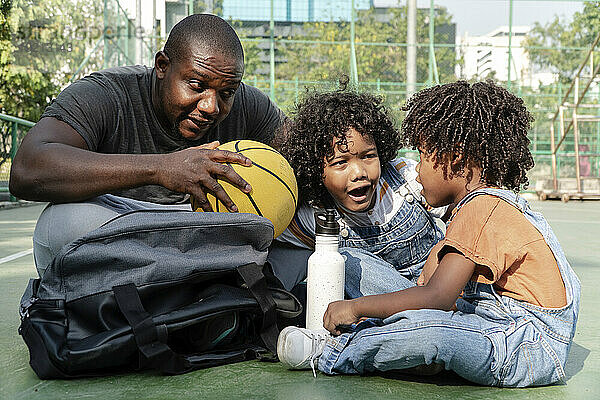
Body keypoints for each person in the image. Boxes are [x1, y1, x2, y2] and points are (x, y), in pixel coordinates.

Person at [277, 80, 581, 387]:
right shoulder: (480, 205)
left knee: (432, 334)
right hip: (493, 324)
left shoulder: (481, 208)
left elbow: (437, 297)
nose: (418, 169)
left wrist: (355, 308)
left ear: (456, 159)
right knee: (352, 262)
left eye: (423, 156)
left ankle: (330, 352)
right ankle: (399, 342)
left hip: (524, 343)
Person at [9, 14, 284, 277]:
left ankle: (180, 288)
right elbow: (27, 168)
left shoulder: (247, 104)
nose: (211, 106)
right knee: (62, 224)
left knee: (308, 220)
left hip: (200, 229)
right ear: (162, 66)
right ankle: (197, 285)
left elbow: (307, 148)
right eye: (196, 84)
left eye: (226, 93)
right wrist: (161, 168)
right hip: (124, 224)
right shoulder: (107, 94)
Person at [272, 85, 447, 297]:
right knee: (345, 260)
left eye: (368, 156)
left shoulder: (405, 178)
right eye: (340, 163)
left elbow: (463, 208)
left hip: (438, 287)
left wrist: (445, 246)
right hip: (385, 307)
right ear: (316, 170)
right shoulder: (315, 215)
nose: (358, 172)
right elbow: (270, 234)